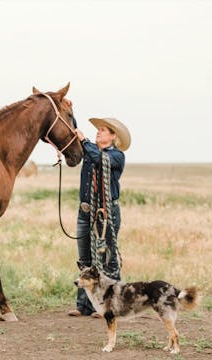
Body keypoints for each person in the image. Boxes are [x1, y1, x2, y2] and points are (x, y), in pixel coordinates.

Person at [68, 117, 131, 317]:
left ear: (113, 137)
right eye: (99, 130)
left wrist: (85, 141)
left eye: (103, 130)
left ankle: (111, 304)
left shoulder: (116, 156)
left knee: (108, 259)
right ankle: (84, 306)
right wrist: (71, 111)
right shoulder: (90, 150)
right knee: (85, 258)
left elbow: (100, 159)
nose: (98, 132)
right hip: (85, 212)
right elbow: (73, 130)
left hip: (106, 212)